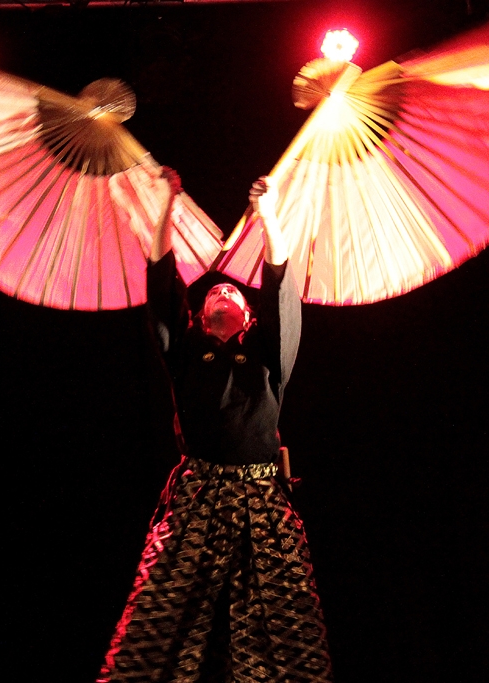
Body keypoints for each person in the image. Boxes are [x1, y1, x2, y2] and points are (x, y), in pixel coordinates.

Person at [97, 170, 333, 683]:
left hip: (264, 500)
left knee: (286, 639)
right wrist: (165, 208)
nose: (224, 289)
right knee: (156, 628)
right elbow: (162, 285)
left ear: (249, 316)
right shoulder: (186, 354)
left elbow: (279, 289)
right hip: (199, 495)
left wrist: (269, 216)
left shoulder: (267, 355)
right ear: (201, 316)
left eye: (234, 292)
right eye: (214, 292)